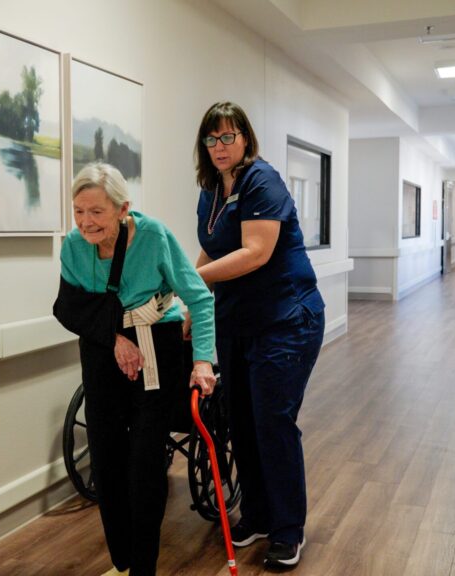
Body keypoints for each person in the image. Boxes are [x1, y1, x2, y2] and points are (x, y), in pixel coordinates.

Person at [54, 162, 217, 576]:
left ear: (123, 208)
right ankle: (122, 559)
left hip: (156, 348)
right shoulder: (73, 246)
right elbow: (70, 308)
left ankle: (144, 567)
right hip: (101, 350)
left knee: (145, 464)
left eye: (96, 212)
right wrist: (114, 339)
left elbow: (199, 298)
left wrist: (202, 360)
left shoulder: (153, 237)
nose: (85, 223)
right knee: (106, 463)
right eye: (78, 211)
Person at [191, 102, 325, 569]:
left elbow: (255, 253)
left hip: (286, 319)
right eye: (211, 140)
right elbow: (210, 249)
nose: (220, 147)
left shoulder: (261, 181)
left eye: (228, 137)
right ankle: (259, 515)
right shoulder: (210, 190)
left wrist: (196, 284)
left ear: (245, 138)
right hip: (237, 321)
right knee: (240, 422)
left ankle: (288, 529)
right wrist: (191, 296)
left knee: (272, 421)